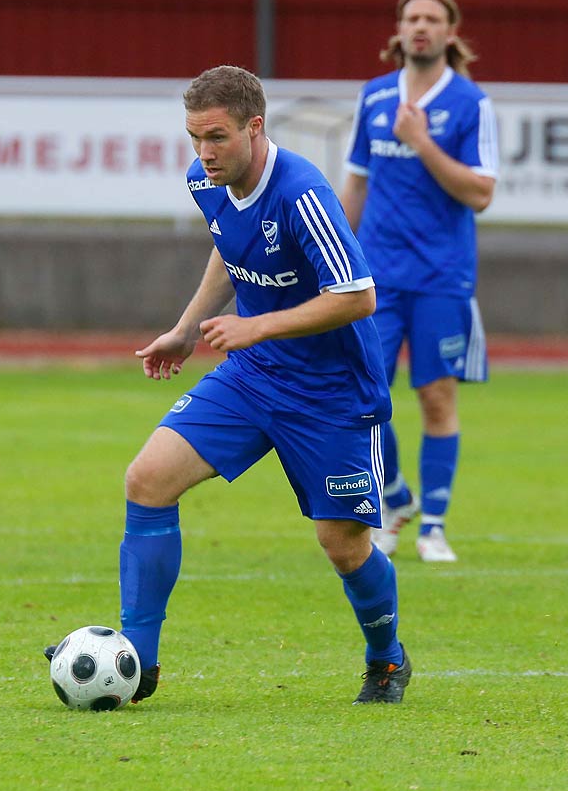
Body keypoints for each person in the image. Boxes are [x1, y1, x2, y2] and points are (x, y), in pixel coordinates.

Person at [52, 64, 410, 705]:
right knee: (147, 479)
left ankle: (386, 659)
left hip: (329, 393)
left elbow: (357, 297)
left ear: (254, 127)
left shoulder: (303, 194)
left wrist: (259, 325)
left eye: (216, 137)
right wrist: (186, 330)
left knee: (343, 545)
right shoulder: (206, 183)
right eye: (194, 138)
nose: (203, 153)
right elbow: (228, 247)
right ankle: (140, 661)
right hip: (254, 376)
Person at [339, 0, 498, 564]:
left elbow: (480, 193)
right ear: (399, 30)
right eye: (412, 18)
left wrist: (423, 144)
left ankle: (433, 524)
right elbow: (356, 181)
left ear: (451, 33)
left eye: (432, 18)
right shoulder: (375, 96)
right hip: (377, 276)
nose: (421, 27)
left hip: (440, 276)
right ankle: (393, 496)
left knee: (435, 396)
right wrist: (334, 253)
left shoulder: (471, 103)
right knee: (362, 395)